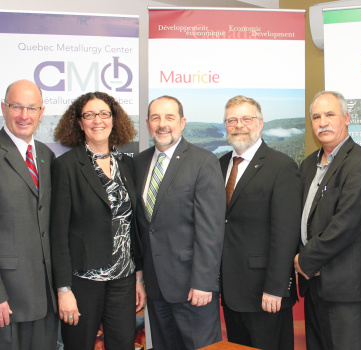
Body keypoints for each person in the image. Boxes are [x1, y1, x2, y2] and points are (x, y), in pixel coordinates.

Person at [50, 91, 145, 350]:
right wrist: (63, 290)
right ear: (79, 123)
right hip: (83, 283)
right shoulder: (67, 166)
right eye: (89, 115)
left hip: (123, 281)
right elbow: (57, 233)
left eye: (104, 113)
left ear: (114, 120)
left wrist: (138, 278)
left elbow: (131, 227)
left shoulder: (126, 164)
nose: (97, 120)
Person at [134, 96, 225, 350]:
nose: (162, 124)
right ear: (148, 123)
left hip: (192, 288)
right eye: (155, 118)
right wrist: (140, 279)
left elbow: (211, 229)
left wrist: (204, 283)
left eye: (169, 117)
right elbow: (142, 229)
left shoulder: (203, 161)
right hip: (156, 288)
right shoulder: (139, 163)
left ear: (183, 122)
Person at [293, 91, 361, 350]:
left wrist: (307, 259)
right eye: (316, 117)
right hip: (314, 285)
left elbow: (347, 224)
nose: (323, 122)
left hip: (345, 289)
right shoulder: (308, 165)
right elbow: (301, 219)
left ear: (346, 118)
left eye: (330, 114)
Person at [219, 95, 301, 350]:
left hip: (266, 293)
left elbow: (286, 233)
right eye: (232, 120)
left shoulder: (281, 167)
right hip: (231, 292)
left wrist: (276, 288)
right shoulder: (219, 164)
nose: (239, 125)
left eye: (246, 118)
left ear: (260, 123)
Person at [0, 80, 58, 349]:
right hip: (8, 301)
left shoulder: (46, 156)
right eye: (17, 107)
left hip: (46, 299)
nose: (25, 115)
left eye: (32, 108)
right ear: (3, 108)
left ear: (41, 111)